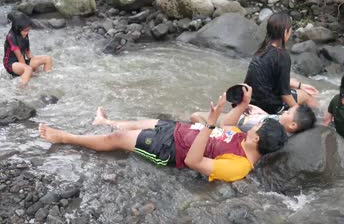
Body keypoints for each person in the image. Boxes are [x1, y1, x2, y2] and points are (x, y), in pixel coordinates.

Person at [39, 86, 288, 182]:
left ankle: (64, 137)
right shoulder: (244, 139)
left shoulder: (238, 167)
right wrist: (242, 105)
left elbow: (193, 162)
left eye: (256, 126)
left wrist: (210, 124)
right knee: (139, 122)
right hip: (180, 130)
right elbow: (226, 127)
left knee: (115, 140)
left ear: (257, 139)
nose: (251, 125)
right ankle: (105, 120)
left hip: (171, 150)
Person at [244, 12, 319, 114]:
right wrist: (298, 113)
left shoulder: (261, 50)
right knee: (307, 97)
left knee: (293, 81)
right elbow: (285, 95)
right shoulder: (282, 56)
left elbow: (273, 80)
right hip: (269, 107)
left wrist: (300, 85)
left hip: (250, 101)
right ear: (285, 32)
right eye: (290, 29)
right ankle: (322, 122)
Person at [190, 103, 316, 135]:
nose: (284, 112)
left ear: (293, 125)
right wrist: (256, 110)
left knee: (195, 116)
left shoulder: (271, 131)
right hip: (242, 117)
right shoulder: (281, 120)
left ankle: (211, 134)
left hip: (232, 124)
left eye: (288, 113)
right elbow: (267, 116)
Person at [3, 13, 53, 85]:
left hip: (22, 61)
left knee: (47, 59)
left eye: (28, 30)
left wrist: (36, 67)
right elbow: (19, 56)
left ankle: (47, 83)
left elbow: (28, 52)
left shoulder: (25, 34)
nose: (27, 33)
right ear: (19, 28)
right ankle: (22, 90)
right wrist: (30, 71)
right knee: (28, 69)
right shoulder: (11, 37)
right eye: (26, 30)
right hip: (11, 64)